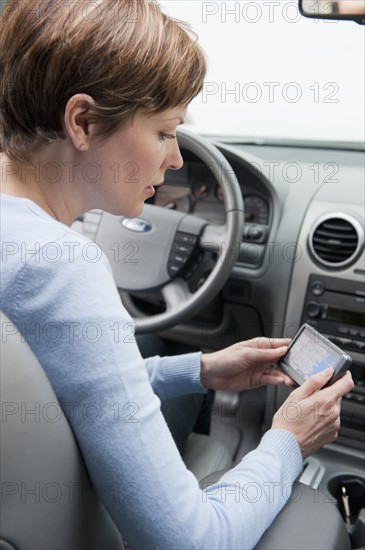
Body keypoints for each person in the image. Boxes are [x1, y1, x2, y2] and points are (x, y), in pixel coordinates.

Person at [0, 1, 354, 549]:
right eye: (166, 132)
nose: (175, 161)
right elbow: (189, 540)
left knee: (177, 374)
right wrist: (289, 439)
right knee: (313, 512)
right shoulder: (60, 266)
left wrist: (203, 368)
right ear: (84, 123)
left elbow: (58, 384)